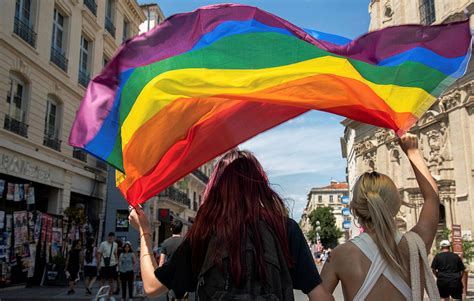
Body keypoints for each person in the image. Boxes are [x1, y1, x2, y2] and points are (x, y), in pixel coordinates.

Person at [129, 150, 333, 300]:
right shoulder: (285, 228)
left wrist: (144, 233)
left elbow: (152, 286)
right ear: (258, 185)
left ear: (216, 187)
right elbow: (319, 296)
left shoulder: (204, 233)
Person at [321, 134, 441, 300]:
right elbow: (432, 199)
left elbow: (319, 296)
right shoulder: (415, 245)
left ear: (354, 209)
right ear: (396, 205)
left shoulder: (338, 255)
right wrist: (412, 151)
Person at [97, 232, 119, 296]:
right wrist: (98, 263)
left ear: (114, 238)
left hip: (112, 264)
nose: (110, 238)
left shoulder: (115, 244)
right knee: (102, 279)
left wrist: (117, 262)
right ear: (108, 237)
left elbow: (115, 253)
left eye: (112, 237)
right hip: (104, 264)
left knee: (111, 279)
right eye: (109, 237)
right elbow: (99, 253)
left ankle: (110, 294)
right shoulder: (103, 244)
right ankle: (101, 293)